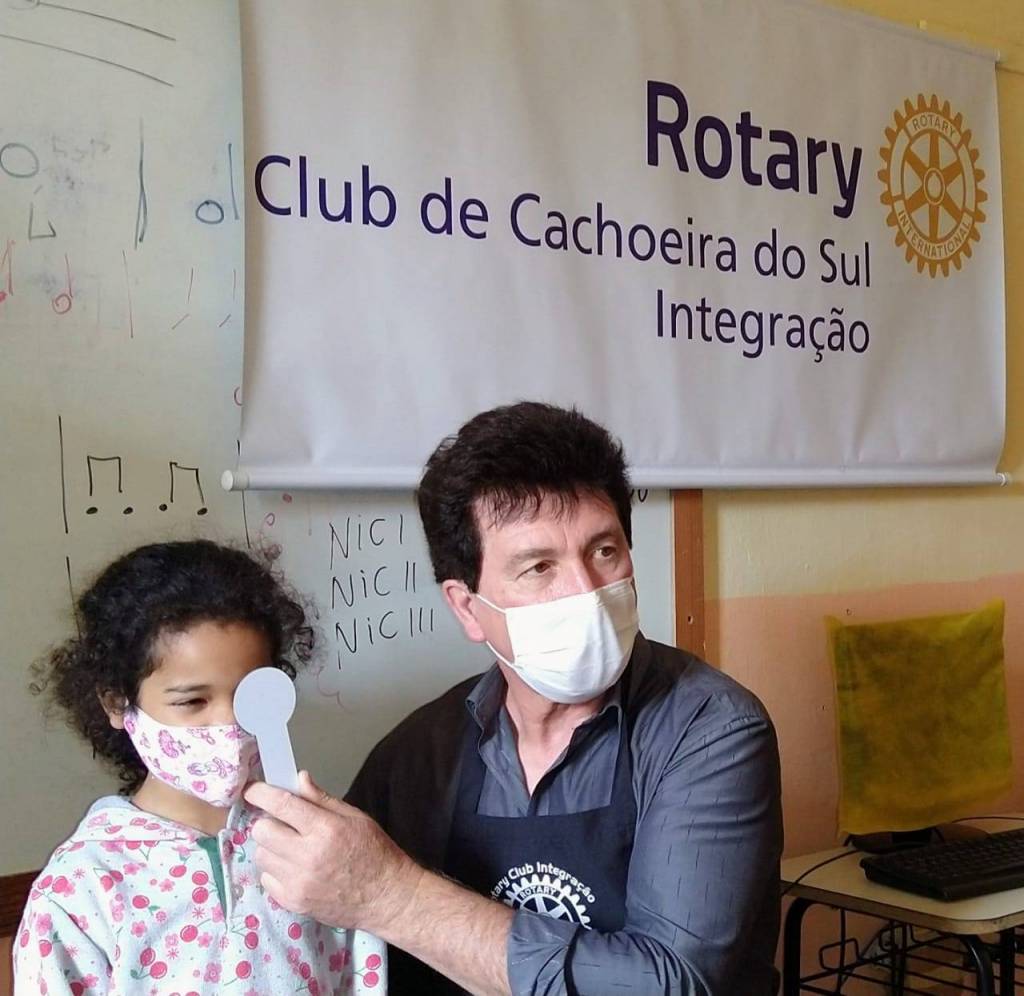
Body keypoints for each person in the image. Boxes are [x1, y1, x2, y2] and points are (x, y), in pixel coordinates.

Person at [246, 402, 783, 994]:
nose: (585, 593)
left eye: (604, 551)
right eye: (539, 567)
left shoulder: (710, 731)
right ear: (467, 607)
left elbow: (670, 984)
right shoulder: (420, 753)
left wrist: (390, 895)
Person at [14, 540, 386, 995]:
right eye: (192, 701)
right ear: (116, 702)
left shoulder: (316, 849)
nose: (228, 723)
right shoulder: (80, 888)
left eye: (248, 695)